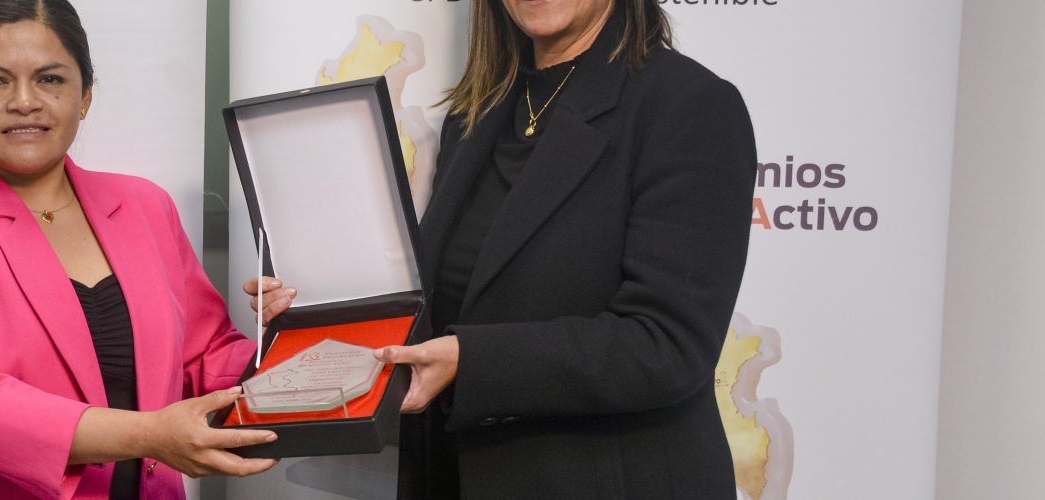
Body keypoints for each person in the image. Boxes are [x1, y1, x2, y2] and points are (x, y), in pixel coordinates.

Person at [247, 0, 756, 497]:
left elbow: (667, 344)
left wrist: (471, 362)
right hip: (452, 472)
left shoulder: (690, 104)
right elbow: (448, 305)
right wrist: (323, 306)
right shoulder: (476, 113)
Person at [0, 1, 278, 498]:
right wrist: (150, 435)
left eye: (50, 79)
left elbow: (206, 360)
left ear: (84, 96)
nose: (24, 102)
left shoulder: (145, 205)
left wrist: (286, 342)